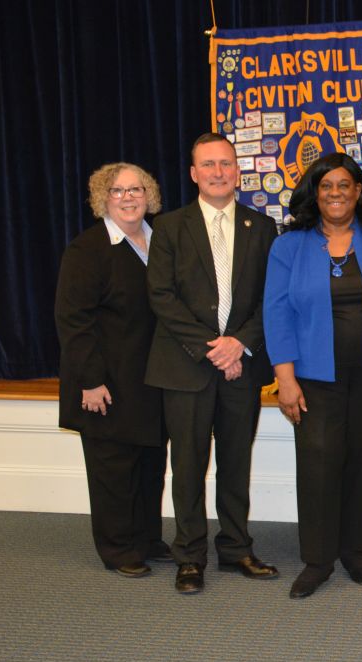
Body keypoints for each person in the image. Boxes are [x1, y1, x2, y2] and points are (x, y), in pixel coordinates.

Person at [263, 153, 362, 599]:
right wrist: (285, 379)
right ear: (314, 193)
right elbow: (276, 313)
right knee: (318, 463)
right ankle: (318, 559)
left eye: (344, 185)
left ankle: (352, 549)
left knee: (361, 458)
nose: (335, 193)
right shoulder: (289, 245)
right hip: (312, 376)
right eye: (326, 186)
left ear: (358, 191)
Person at [145, 133, 279, 595]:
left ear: (237, 171)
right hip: (186, 367)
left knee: (236, 464)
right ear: (193, 173)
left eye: (225, 163)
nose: (218, 172)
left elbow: (271, 299)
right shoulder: (168, 227)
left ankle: (236, 548)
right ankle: (189, 555)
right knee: (188, 467)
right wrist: (213, 349)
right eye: (208, 164)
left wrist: (239, 344)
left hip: (242, 366)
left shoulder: (263, 227)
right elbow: (161, 296)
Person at [55, 162, 170, 577]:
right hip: (104, 381)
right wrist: (90, 381)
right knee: (113, 469)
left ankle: (147, 538)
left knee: (150, 465)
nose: (128, 198)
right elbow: (73, 320)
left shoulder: (160, 242)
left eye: (136, 189)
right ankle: (119, 549)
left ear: (149, 195)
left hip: (152, 379)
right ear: (103, 198)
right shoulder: (88, 250)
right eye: (117, 191)